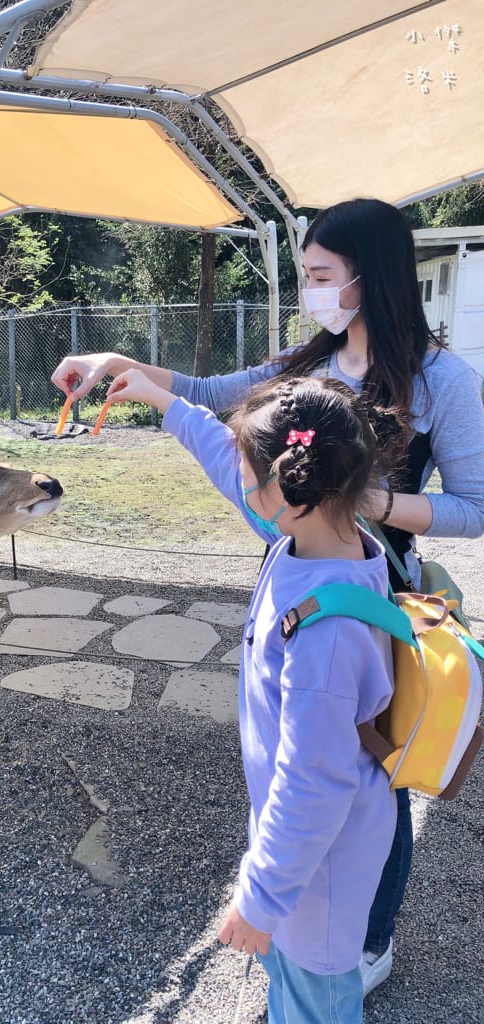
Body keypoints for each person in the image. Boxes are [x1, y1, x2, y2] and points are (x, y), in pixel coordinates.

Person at [51, 198, 484, 993]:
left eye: (322, 276)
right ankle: (302, 907)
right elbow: (216, 393)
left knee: (370, 770)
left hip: (369, 592)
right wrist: (121, 367)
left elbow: (477, 507)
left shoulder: (443, 381)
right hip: (294, 569)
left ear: (373, 277)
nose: (311, 290)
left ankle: (364, 935)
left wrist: (363, 501)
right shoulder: (308, 361)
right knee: (301, 755)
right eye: (306, 275)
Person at [104, 370, 398, 1024]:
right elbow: (224, 453)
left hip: (315, 879)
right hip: (309, 856)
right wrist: (162, 400)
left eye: (247, 469)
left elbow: (313, 783)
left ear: (292, 492)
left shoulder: (326, 634)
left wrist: (261, 901)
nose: (237, 479)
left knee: (316, 1002)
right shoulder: (322, 541)